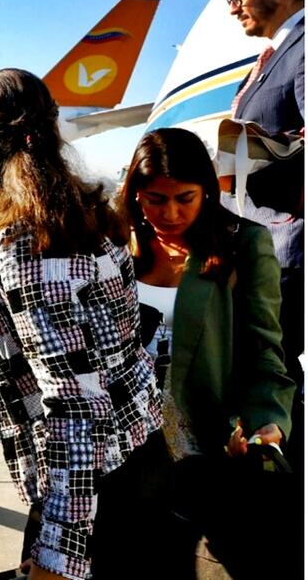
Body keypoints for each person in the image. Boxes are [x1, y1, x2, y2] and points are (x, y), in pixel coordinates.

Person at [0, 69, 166, 580]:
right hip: (128, 451)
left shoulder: (27, 242)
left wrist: (59, 556)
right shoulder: (82, 210)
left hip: (89, 476)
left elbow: (75, 404)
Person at [119, 127, 296, 577]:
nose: (171, 212)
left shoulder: (242, 244)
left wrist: (268, 418)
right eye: (156, 198)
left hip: (206, 449)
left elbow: (264, 347)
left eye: (186, 197)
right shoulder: (113, 246)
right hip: (123, 452)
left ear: (208, 191)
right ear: (135, 193)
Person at [224, 0, 304, 475]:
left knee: (273, 377)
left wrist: (266, 164)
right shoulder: (274, 54)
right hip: (265, 245)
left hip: (290, 248)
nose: (234, 4)